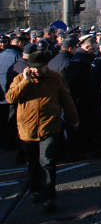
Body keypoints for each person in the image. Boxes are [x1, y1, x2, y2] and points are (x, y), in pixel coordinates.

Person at [5, 43, 79, 212]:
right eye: (35, 68)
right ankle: (35, 190)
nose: (38, 71)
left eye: (41, 67)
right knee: (32, 162)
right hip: (27, 129)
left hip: (49, 126)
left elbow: (66, 100)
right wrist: (25, 81)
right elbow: (10, 98)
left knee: (47, 161)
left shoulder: (55, 78)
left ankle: (49, 196)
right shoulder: (20, 79)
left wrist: (74, 119)